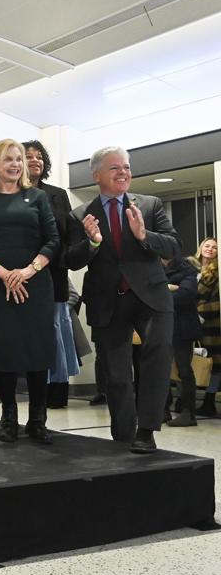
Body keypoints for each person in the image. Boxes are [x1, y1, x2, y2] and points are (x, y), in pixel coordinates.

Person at [65, 146, 181, 453]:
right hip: (107, 300)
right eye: (115, 167)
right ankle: (123, 436)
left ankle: (147, 432)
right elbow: (71, 260)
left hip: (151, 297)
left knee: (156, 358)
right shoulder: (80, 214)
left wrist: (145, 236)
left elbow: (174, 247)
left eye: (126, 167)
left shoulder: (150, 204)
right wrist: (91, 242)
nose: (123, 172)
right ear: (97, 175)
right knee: (116, 376)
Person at [0, 139, 59, 444]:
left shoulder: (37, 197)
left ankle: (38, 420)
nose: (16, 164)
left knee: (38, 351)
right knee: (4, 352)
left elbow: (53, 241)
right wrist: (4, 274)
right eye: (8, 159)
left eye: (19, 159)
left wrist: (27, 271)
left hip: (35, 286)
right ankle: (9, 418)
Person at [23, 140, 79, 409]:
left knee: (55, 334)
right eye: (29, 156)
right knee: (28, 335)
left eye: (39, 157)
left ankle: (57, 394)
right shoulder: (8, 193)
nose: (35, 160)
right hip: (19, 275)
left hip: (53, 273)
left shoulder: (57, 194)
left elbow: (67, 234)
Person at [163, 256, 202, 427]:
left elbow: (187, 294)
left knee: (184, 370)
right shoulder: (151, 265)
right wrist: (169, 288)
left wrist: (160, 292)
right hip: (161, 324)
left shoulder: (187, 268)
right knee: (161, 370)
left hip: (183, 326)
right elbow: (144, 290)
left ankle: (189, 413)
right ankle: (163, 410)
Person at [194, 237, 220, 416]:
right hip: (189, 321)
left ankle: (209, 401)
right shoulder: (190, 267)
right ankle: (184, 399)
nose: (210, 249)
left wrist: (199, 313)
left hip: (211, 324)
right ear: (201, 247)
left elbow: (217, 301)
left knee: (214, 364)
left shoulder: (217, 271)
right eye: (207, 245)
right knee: (190, 360)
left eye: (215, 248)